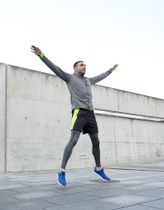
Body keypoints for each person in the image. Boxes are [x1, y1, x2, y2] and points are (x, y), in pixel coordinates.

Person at [31, 45, 118, 186]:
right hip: (79, 112)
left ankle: (98, 168)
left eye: (85, 65)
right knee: (73, 140)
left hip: (90, 114)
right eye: (81, 65)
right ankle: (61, 171)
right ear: (75, 68)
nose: (84, 67)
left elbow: (101, 76)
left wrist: (111, 70)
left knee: (96, 141)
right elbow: (55, 68)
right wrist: (41, 55)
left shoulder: (89, 81)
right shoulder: (70, 78)